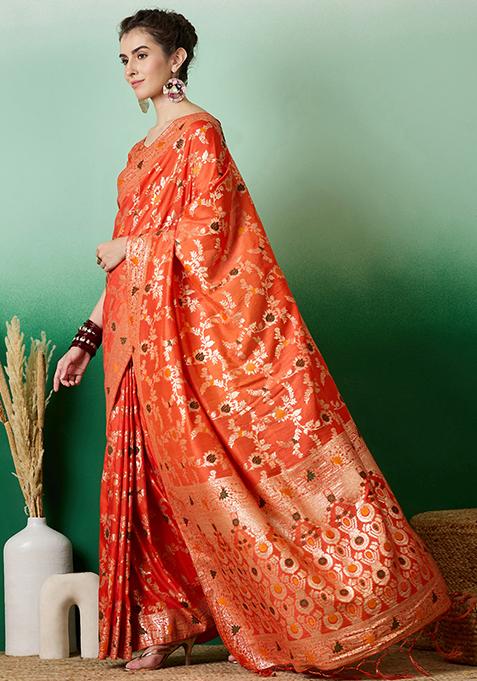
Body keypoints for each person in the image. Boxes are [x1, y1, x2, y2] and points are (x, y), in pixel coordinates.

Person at [53, 8, 461, 678]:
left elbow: (214, 236)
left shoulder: (200, 135)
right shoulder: (138, 155)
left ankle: (324, 611)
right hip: (130, 342)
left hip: (178, 347)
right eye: (123, 58)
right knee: (148, 485)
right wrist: (87, 338)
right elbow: (119, 263)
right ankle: (164, 625)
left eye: (142, 54)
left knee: (217, 478)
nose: (130, 68)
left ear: (177, 59)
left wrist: (134, 246)